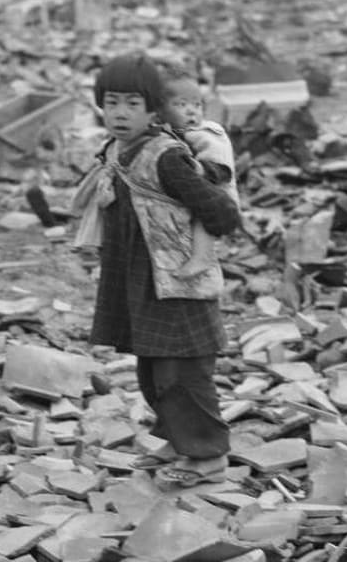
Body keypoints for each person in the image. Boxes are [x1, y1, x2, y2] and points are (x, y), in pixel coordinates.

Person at [83, 53, 241, 488]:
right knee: (153, 372)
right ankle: (178, 441)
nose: (119, 113)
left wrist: (199, 249)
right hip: (141, 282)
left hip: (178, 281)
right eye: (111, 102)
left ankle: (208, 456)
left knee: (183, 373)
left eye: (132, 104)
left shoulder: (167, 157)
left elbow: (223, 214)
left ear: (155, 108)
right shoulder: (118, 150)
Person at [156, 64, 240, 278]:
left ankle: (202, 258)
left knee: (203, 222)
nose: (192, 110)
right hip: (198, 193)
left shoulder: (207, 133)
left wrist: (202, 169)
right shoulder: (175, 133)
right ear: (160, 110)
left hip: (218, 194)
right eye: (181, 105)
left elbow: (222, 166)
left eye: (197, 105)